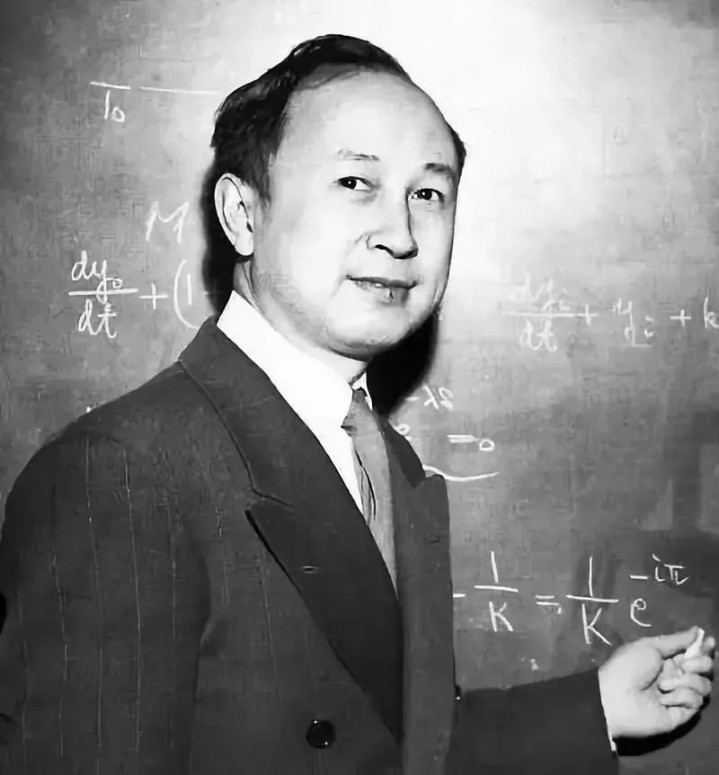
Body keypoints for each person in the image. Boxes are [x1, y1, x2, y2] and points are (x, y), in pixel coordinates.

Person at [0, 34, 714, 775]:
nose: (400, 235)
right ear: (242, 214)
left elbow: (399, 745)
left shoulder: (380, 457)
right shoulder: (120, 476)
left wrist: (594, 706)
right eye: (354, 182)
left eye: (427, 194)